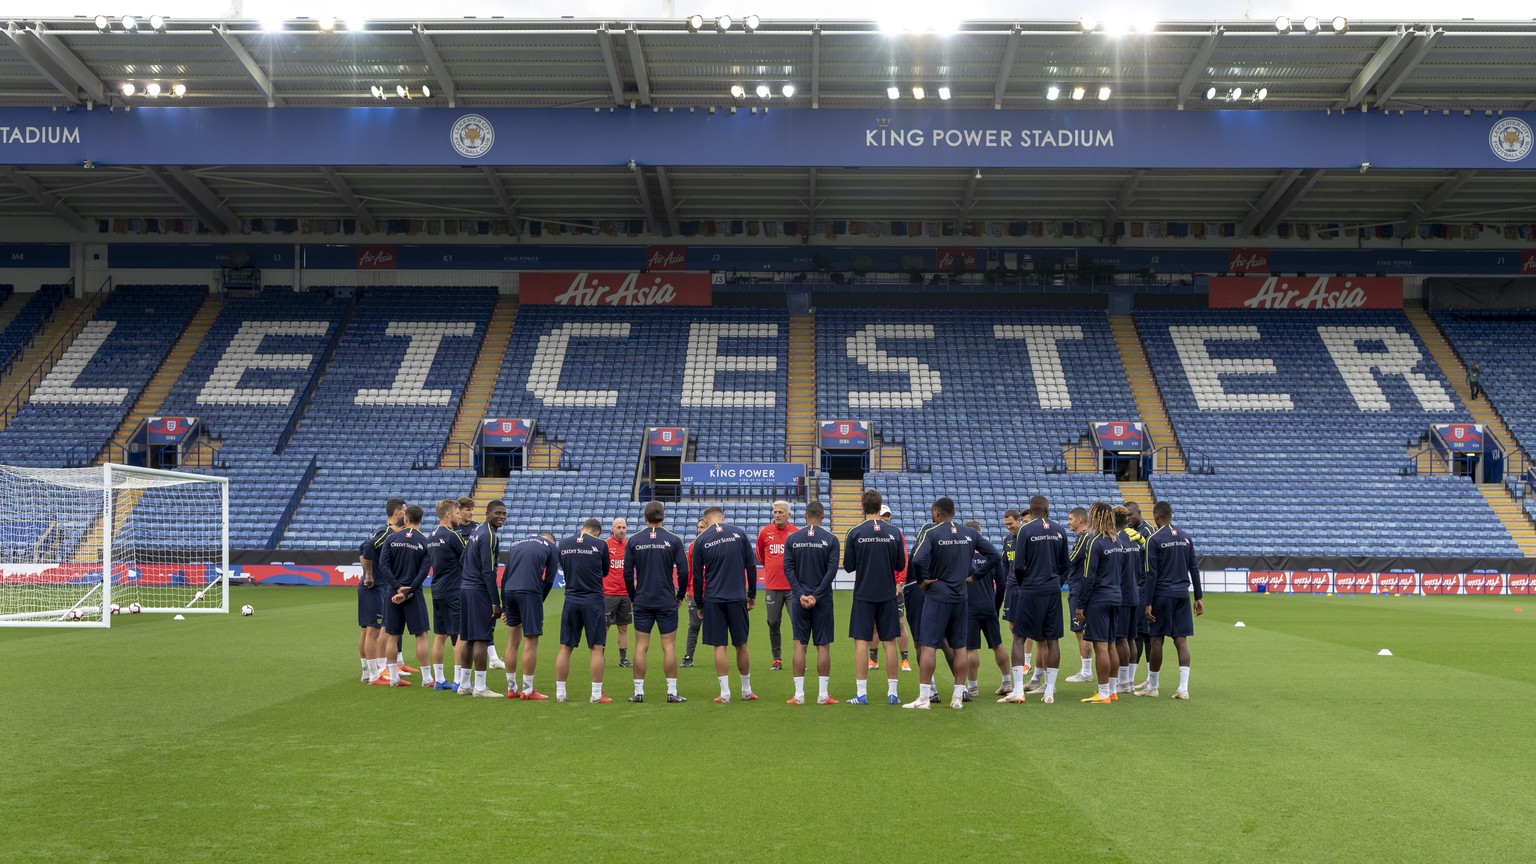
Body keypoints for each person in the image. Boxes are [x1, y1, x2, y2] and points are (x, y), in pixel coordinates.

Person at [906, 497, 1000, 710]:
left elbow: (917, 559)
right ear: (954, 513)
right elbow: (994, 556)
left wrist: (922, 580)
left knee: (928, 644)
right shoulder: (970, 533)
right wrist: (975, 576)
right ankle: (958, 697)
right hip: (960, 595)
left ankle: (924, 698)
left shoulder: (932, 533)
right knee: (959, 646)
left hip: (938, 594)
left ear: (936, 513)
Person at [1002, 495, 1069, 704]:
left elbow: (1019, 566)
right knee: (1052, 639)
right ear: (1047, 510)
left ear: (1031, 510)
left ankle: (1019, 690)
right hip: (1052, 591)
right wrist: (1056, 583)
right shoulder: (1059, 530)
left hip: (1030, 589)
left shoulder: (1026, 530)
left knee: (1019, 637)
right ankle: (1049, 691)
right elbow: (1065, 566)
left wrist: (1024, 584)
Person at [623, 501, 691, 703]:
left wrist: (633, 597)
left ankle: (638, 692)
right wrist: (680, 596)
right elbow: (684, 571)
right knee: (668, 646)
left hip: (643, 600)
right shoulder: (673, 539)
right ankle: (671, 691)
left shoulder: (634, 540)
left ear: (645, 518)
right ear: (663, 517)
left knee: (640, 646)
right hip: (666, 600)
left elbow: (627, 573)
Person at [842, 490, 905, 705]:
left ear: (863, 506)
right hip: (887, 593)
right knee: (889, 642)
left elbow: (849, 566)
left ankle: (861, 694)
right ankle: (893, 694)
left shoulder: (855, 532)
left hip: (863, 594)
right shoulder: (894, 532)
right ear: (880, 507)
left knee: (862, 641)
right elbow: (900, 565)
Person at [690, 505, 758, 703]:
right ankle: (746, 690)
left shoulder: (701, 540)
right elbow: (751, 566)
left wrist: (700, 603)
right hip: (737, 597)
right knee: (741, 644)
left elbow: (697, 576)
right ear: (723, 517)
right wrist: (751, 594)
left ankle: (725, 693)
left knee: (719, 646)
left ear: (705, 521)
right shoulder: (739, 533)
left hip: (713, 599)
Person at [1142, 501, 1203, 699]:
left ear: (1156, 516)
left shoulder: (1154, 539)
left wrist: (1148, 602)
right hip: (1182, 594)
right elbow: (1194, 567)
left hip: (1162, 595)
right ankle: (1183, 689)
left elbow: (1151, 573)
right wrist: (1199, 597)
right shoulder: (1185, 537)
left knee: (1157, 639)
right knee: (1181, 640)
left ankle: (1152, 687)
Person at [781, 500, 840, 705]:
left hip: (800, 599)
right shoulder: (831, 539)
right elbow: (832, 571)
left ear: (805, 516)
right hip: (822, 600)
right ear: (823, 516)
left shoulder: (793, 538)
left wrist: (800, 594)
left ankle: (799, 695)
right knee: (823, 646)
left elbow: (788, 569)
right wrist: (817, 595)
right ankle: (823, 695)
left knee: (800, 645)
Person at [554, 518, 612, 704]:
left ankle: (560, 693)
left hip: (571, 599)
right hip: (593, 601)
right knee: (596, 648)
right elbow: (605, 571)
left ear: (582, 528)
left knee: (565, 647)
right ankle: (596, 694)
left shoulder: (564, 543)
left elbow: (563, 566)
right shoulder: (600, 544)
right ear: (596, 532)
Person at [377, 505, 434, 687]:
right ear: (421, 520)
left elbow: (383, 566)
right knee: (421, 635)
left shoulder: (391, 538)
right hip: (413, 594)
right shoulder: (425, 542)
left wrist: (397, 588)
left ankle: (393, 677)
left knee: (392, 635)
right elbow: (424, 572)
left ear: (406, 519)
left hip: (392, 593)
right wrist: (407, 591)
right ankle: (426, 678)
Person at [1073, 502, 1122, 705]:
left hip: (1099, 599)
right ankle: (1112, 690)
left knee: (1101, 646)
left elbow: (1088, 576)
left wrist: (1080, 605)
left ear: (1094, 517)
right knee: (1111, 645)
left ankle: (1102, 694)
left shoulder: (1095, 542)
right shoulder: (1117, 541)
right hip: (1116, 597)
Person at [456, 500, 506, 698]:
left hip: (466, 589)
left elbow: (462, 560)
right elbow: (489, 571)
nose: (501, 517)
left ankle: (464, 685)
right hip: (479, 592)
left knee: (468, 638)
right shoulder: (489, 535)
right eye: (498, 513)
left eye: (504, 514)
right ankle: (480, 687)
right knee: (482, 639)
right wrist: (495, 601)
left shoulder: (476, 532)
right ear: (487, 513)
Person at [502, 531, 559, 700]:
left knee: (512, 641)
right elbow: (549, 578)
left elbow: (505, 576)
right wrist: (539, 600)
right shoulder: (551, 547)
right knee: (531, 641)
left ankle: (511, 688)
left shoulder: (517, 544)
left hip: (510, 591)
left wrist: (505, 606)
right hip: (530, 592)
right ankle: (527, 690)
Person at [358, 497, 404, 684]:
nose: (406, 514)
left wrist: (367, 571)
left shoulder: (382, 531)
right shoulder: (386, 532)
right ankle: (374, 674)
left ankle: (367, 672)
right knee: (373, 631)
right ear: (397, 512)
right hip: (373, 587)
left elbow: (363, 548)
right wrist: (368, 575)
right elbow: (367, 547)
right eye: (404, 510)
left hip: (373, 586)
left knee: (368, 630)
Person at [962, 520, 1010, 700]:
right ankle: (1007, 682)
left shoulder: (963, 555)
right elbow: (1002, 583)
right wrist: (996, 605)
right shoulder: (991, 556)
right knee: (997, 644)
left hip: (969, 606)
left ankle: (973, 687)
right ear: (980, 533)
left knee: (970, 648)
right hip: (989, 605)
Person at [426, 499, 468, 691]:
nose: (459, 516)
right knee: (460, 635)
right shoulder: (453, 536)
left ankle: (440, 679)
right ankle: (459, 680)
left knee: (439, 635)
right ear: (448, 515)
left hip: (437, 590)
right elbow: (468, 558)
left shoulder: (431, 535)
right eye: (457, 512)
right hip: (453, 590)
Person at [757, 500, 798, 671]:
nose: (777, 515)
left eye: (781, 512)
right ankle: (777, 659)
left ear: (788, 514)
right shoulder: (765, 532)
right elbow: (760, 556)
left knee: (798, 622)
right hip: (773, 586)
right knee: (773, 622)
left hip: (793, 587)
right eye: (775, 512)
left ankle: (799, 658)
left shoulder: (795, 533)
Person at [876, 504, 913, 672]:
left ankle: (904, 659)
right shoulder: (870, 534)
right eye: (883, 515)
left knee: (899, 623)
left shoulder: (898, 534)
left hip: (894, 586)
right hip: (877, 585)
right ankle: (873, 659)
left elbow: (903, 559)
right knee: (874, 625)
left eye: (888, 515)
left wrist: (900, 582)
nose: (886, 518)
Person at [1062, 506, 1096, 684]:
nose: (1068, 522)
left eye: (1070, 519)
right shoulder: (1085, 538)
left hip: (1078, 588)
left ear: (1080, 520)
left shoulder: (1084, 538)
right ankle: (1087, 670)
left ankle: (1086, 671)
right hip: (1082, 587)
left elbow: (1070, 560)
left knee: (1080, 630)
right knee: (1084, 629)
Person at [1112, 506, 1142, 695]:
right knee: (1131, 638)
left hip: (1121, 595)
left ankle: (1123, 682)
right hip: (1134, 593)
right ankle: (1129, 680)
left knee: (1120, 638)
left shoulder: (1117, 541)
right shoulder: (1133, 540)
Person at [603, 517, 634, 669]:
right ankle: (599, 655)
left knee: (623, 627)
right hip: (608, 593)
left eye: (624, 527)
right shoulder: (605, 545)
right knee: (605, 625)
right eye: (619, 527)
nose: (622, 530)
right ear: (612, 529)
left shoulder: (630, 545)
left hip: (625, 593)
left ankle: (623, 659)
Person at [682, 516, 707, 668]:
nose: (699, 530)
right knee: (694, 626)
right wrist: (686, 589)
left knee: (720, 625)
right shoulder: (692, 546)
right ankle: (688, 656)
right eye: (698, 527)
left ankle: (722, 654)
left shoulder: (715, 545)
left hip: (713, 592)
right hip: (695, 592)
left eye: (702, 527)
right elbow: (690, 570)